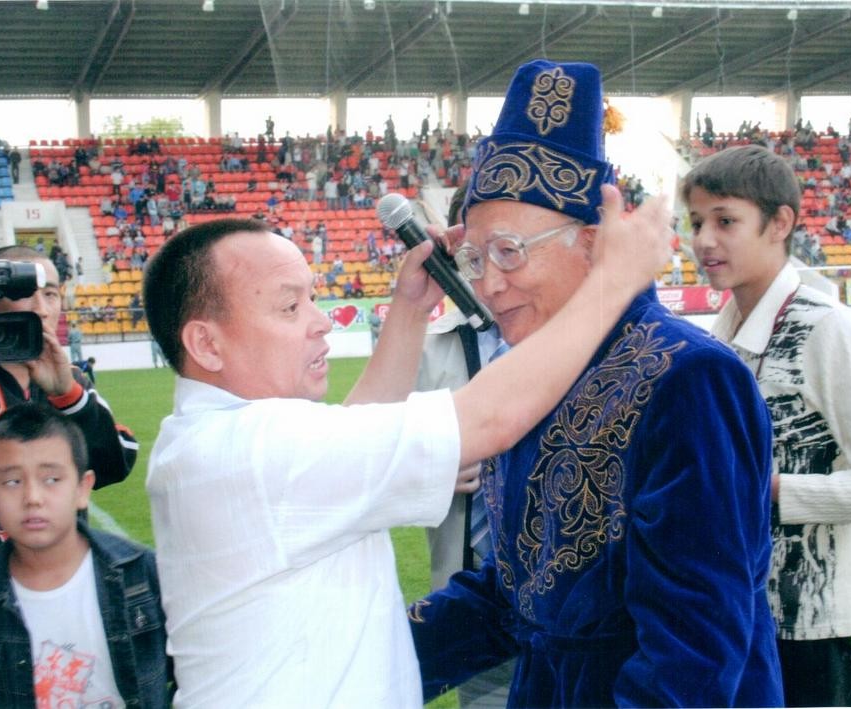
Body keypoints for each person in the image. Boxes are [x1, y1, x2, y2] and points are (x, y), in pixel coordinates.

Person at [141, 186, 670, 707]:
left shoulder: (226, 446)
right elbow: (488, 419)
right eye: (289, 307)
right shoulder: (252, 452)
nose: (320, 323)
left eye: (311, 299)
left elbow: (356, 430)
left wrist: (411, 308)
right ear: (206, 344)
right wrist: (612, 283)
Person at [410, 60, 781, 708]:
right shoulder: (526, 376)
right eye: (474, 258)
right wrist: (362, 655)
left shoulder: (689, 378)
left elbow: (693, 653)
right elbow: (514, 594)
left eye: (508, 252)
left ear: (590, 242)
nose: (487, 284)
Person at [685, 144, 851, 707]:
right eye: (696, 222)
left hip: (806, 632)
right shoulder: (721, 332)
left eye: (725, 221)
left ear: (780, 223)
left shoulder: (828, 330)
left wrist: (767, 491)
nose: (703, 240)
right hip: (727, 618)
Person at [0, 245, 137, 651]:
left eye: (51, 294)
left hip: (52, 602)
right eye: (24, 291)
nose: (41, 308)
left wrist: (70, 396)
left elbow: (114, 463)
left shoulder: (68, 381)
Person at [0, 403, 171, 707]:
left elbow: (198, 676)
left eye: (51, 479)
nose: (33, 498)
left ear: (83, 488)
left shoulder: (144, 574)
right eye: (12, 482)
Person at [414, 185, 515, 708]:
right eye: (472, 254)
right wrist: (425, 472)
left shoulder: (580, 343)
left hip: (576, 607)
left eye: (507, 249)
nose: (490, 272)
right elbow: (371, 462)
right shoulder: (426, 351)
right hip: (473, 595)